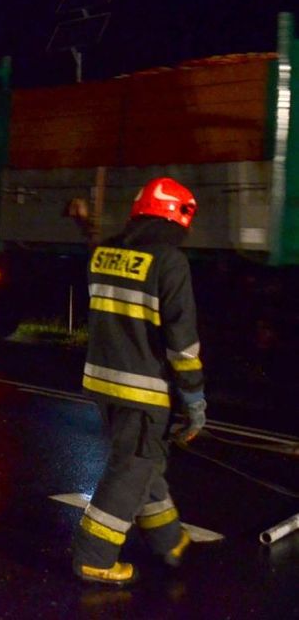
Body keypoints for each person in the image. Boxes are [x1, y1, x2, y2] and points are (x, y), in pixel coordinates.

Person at [70, 176, 206, 585]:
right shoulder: (169, 262)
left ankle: (168, 539)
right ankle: (93, 556)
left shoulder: (104, 254)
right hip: (143, 388)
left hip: (102, 382)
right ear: (176, 218)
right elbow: (181, 343)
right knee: (132, 467)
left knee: (146, 462)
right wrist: (194, 400)